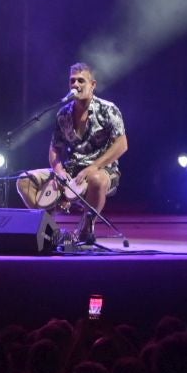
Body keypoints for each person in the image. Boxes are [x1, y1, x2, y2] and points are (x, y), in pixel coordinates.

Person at [44, 61, 126, 245]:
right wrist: (59, 171)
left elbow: (122, 144)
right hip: (70, 170)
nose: (75, 85)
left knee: (96, 179)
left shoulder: (108, 109)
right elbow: (54, 148)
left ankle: (85, 229)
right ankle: (50, 232)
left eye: (81, 81)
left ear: (93, 85)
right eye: (72, 81)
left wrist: (93, 167)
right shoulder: (63, 114)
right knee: (26, 181)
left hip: (103, 170)